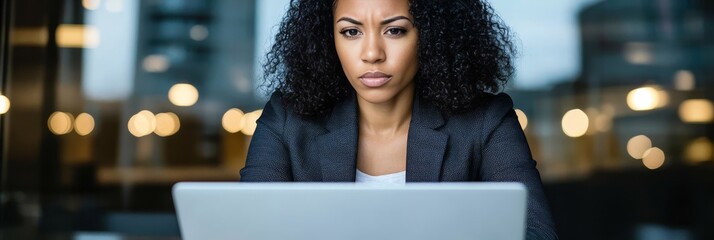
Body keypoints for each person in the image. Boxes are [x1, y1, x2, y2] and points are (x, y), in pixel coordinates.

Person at [240, 0, 558, 239]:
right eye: (351, 31)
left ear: (431, 35)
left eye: (395, 30)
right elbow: (247, 229)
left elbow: (535, 232)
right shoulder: (285, 119)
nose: (372, 53)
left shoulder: (486, 120)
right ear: (328, 39)